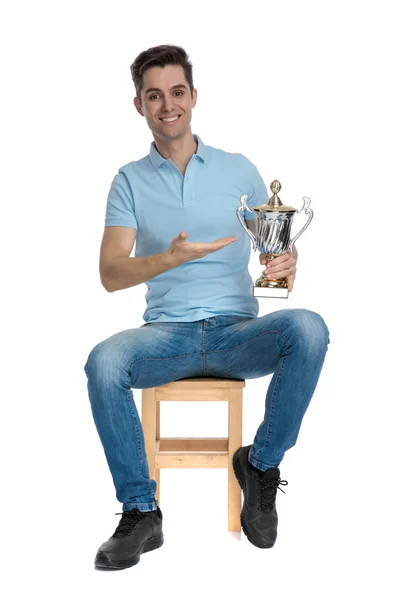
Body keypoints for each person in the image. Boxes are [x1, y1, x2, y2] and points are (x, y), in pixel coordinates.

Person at [84, 44, 329, 571]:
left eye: (177, 92)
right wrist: (165, 258)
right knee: (104, 362)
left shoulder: (239, 170)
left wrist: (287, 265)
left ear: (194, 97)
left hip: (236, 333)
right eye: (154, 95)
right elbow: (110, 274)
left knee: (309, 328)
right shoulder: (129, 180)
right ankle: (141, 511)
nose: (167, 105)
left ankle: (260, 468)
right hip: (164, 338)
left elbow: (275, 256)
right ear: (139, 106)